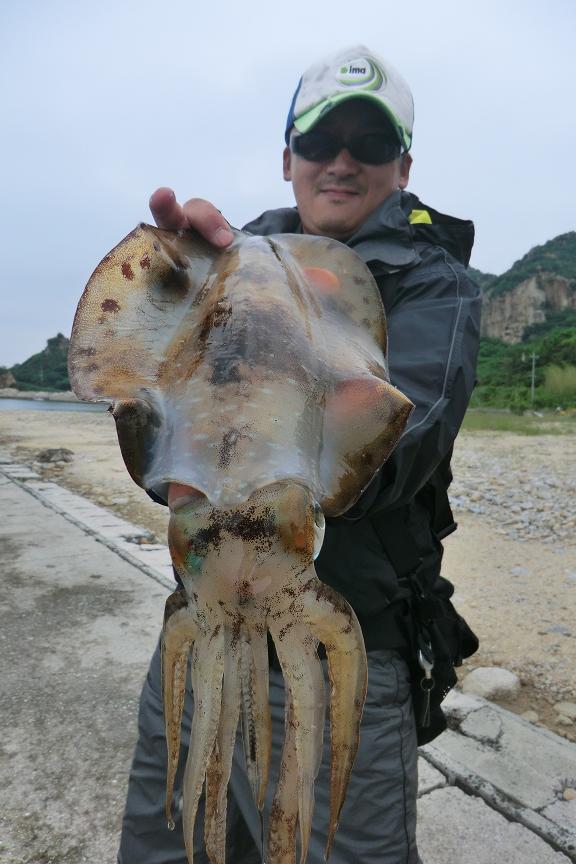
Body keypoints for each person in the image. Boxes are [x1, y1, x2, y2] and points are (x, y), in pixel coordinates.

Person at [118, 45, 481, 864]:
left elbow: (399, 451)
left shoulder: (435, 285)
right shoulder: (226, 266)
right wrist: (168, 286)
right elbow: (157, 437)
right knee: (165, 844)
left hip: (347, 650)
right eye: (320, 141)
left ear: (403, 166)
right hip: (201, 624)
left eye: (370, 143)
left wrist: (259, 411)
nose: (342, 161)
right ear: (288, 158)